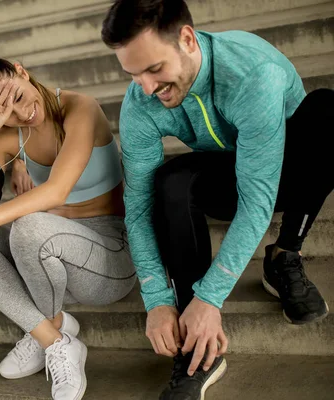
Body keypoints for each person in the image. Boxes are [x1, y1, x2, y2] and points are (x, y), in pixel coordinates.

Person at [101, 0, 333, 398]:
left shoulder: (252, 75)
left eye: (154, 69)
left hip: (287, 169)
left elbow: (258, 198)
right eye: (133, 73)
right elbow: (137, 212)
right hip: (224, 170)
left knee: (329, 110)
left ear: (187, 39)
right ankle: (198, 347)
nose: (146, 88)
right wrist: (157, 299)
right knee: (172, 181)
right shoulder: (140, 102)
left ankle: (284, 255)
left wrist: (213, 295)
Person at [0, 51, 136, 400]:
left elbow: (56, 191)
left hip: (109, 260)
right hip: (48, 269)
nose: (22, 114)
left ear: (21, 71)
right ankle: (54, 337)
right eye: (6, 113)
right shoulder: (8, 135)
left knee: (29, 226)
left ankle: (41, 327)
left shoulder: (81, 109)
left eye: (18, 97)